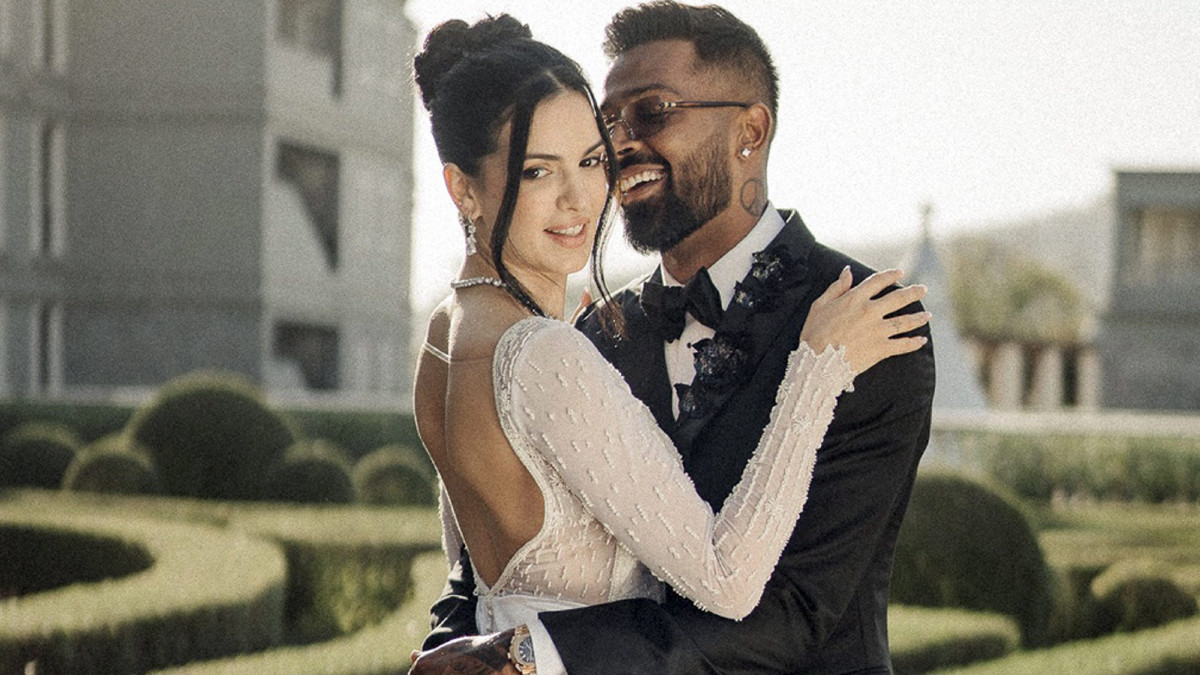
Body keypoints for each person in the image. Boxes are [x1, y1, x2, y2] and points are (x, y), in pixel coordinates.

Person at [414, 3, 937, 674]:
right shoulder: (591, 333)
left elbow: (795, 610)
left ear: (750, 130)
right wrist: (458, 648)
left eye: (653, 112)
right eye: (610, 122)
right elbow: (487, 561)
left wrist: (531, 657)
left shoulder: (862, 321)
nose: (623, 143)